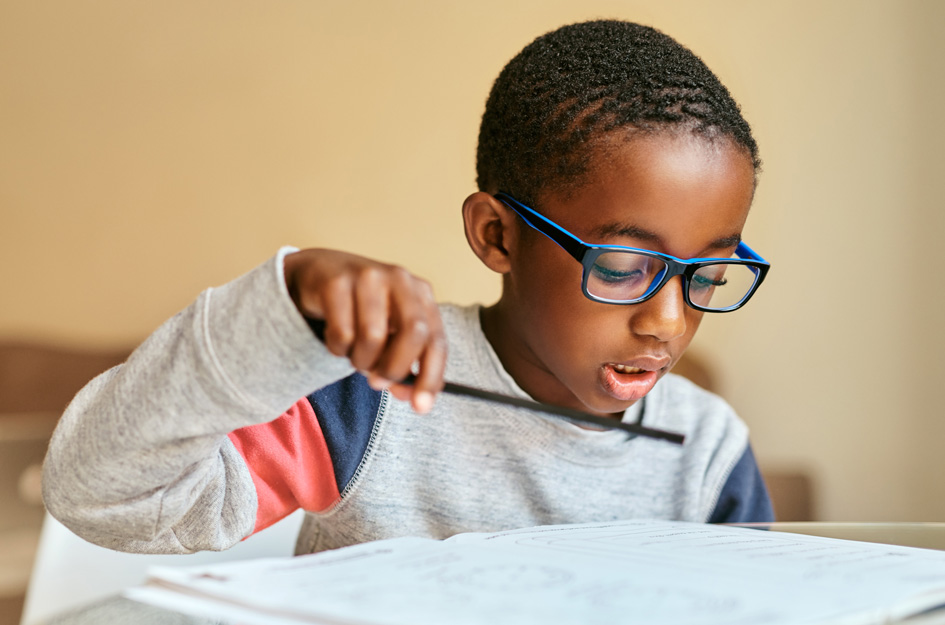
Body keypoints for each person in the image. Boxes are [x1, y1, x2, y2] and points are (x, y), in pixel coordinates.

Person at [43, 19, 774, 555]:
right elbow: (101, 495)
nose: (668, 322)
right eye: (620, 267)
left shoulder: (705, 450)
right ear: (497, 236)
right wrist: (279, 307)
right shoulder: (369, 392)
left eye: (707, 274)